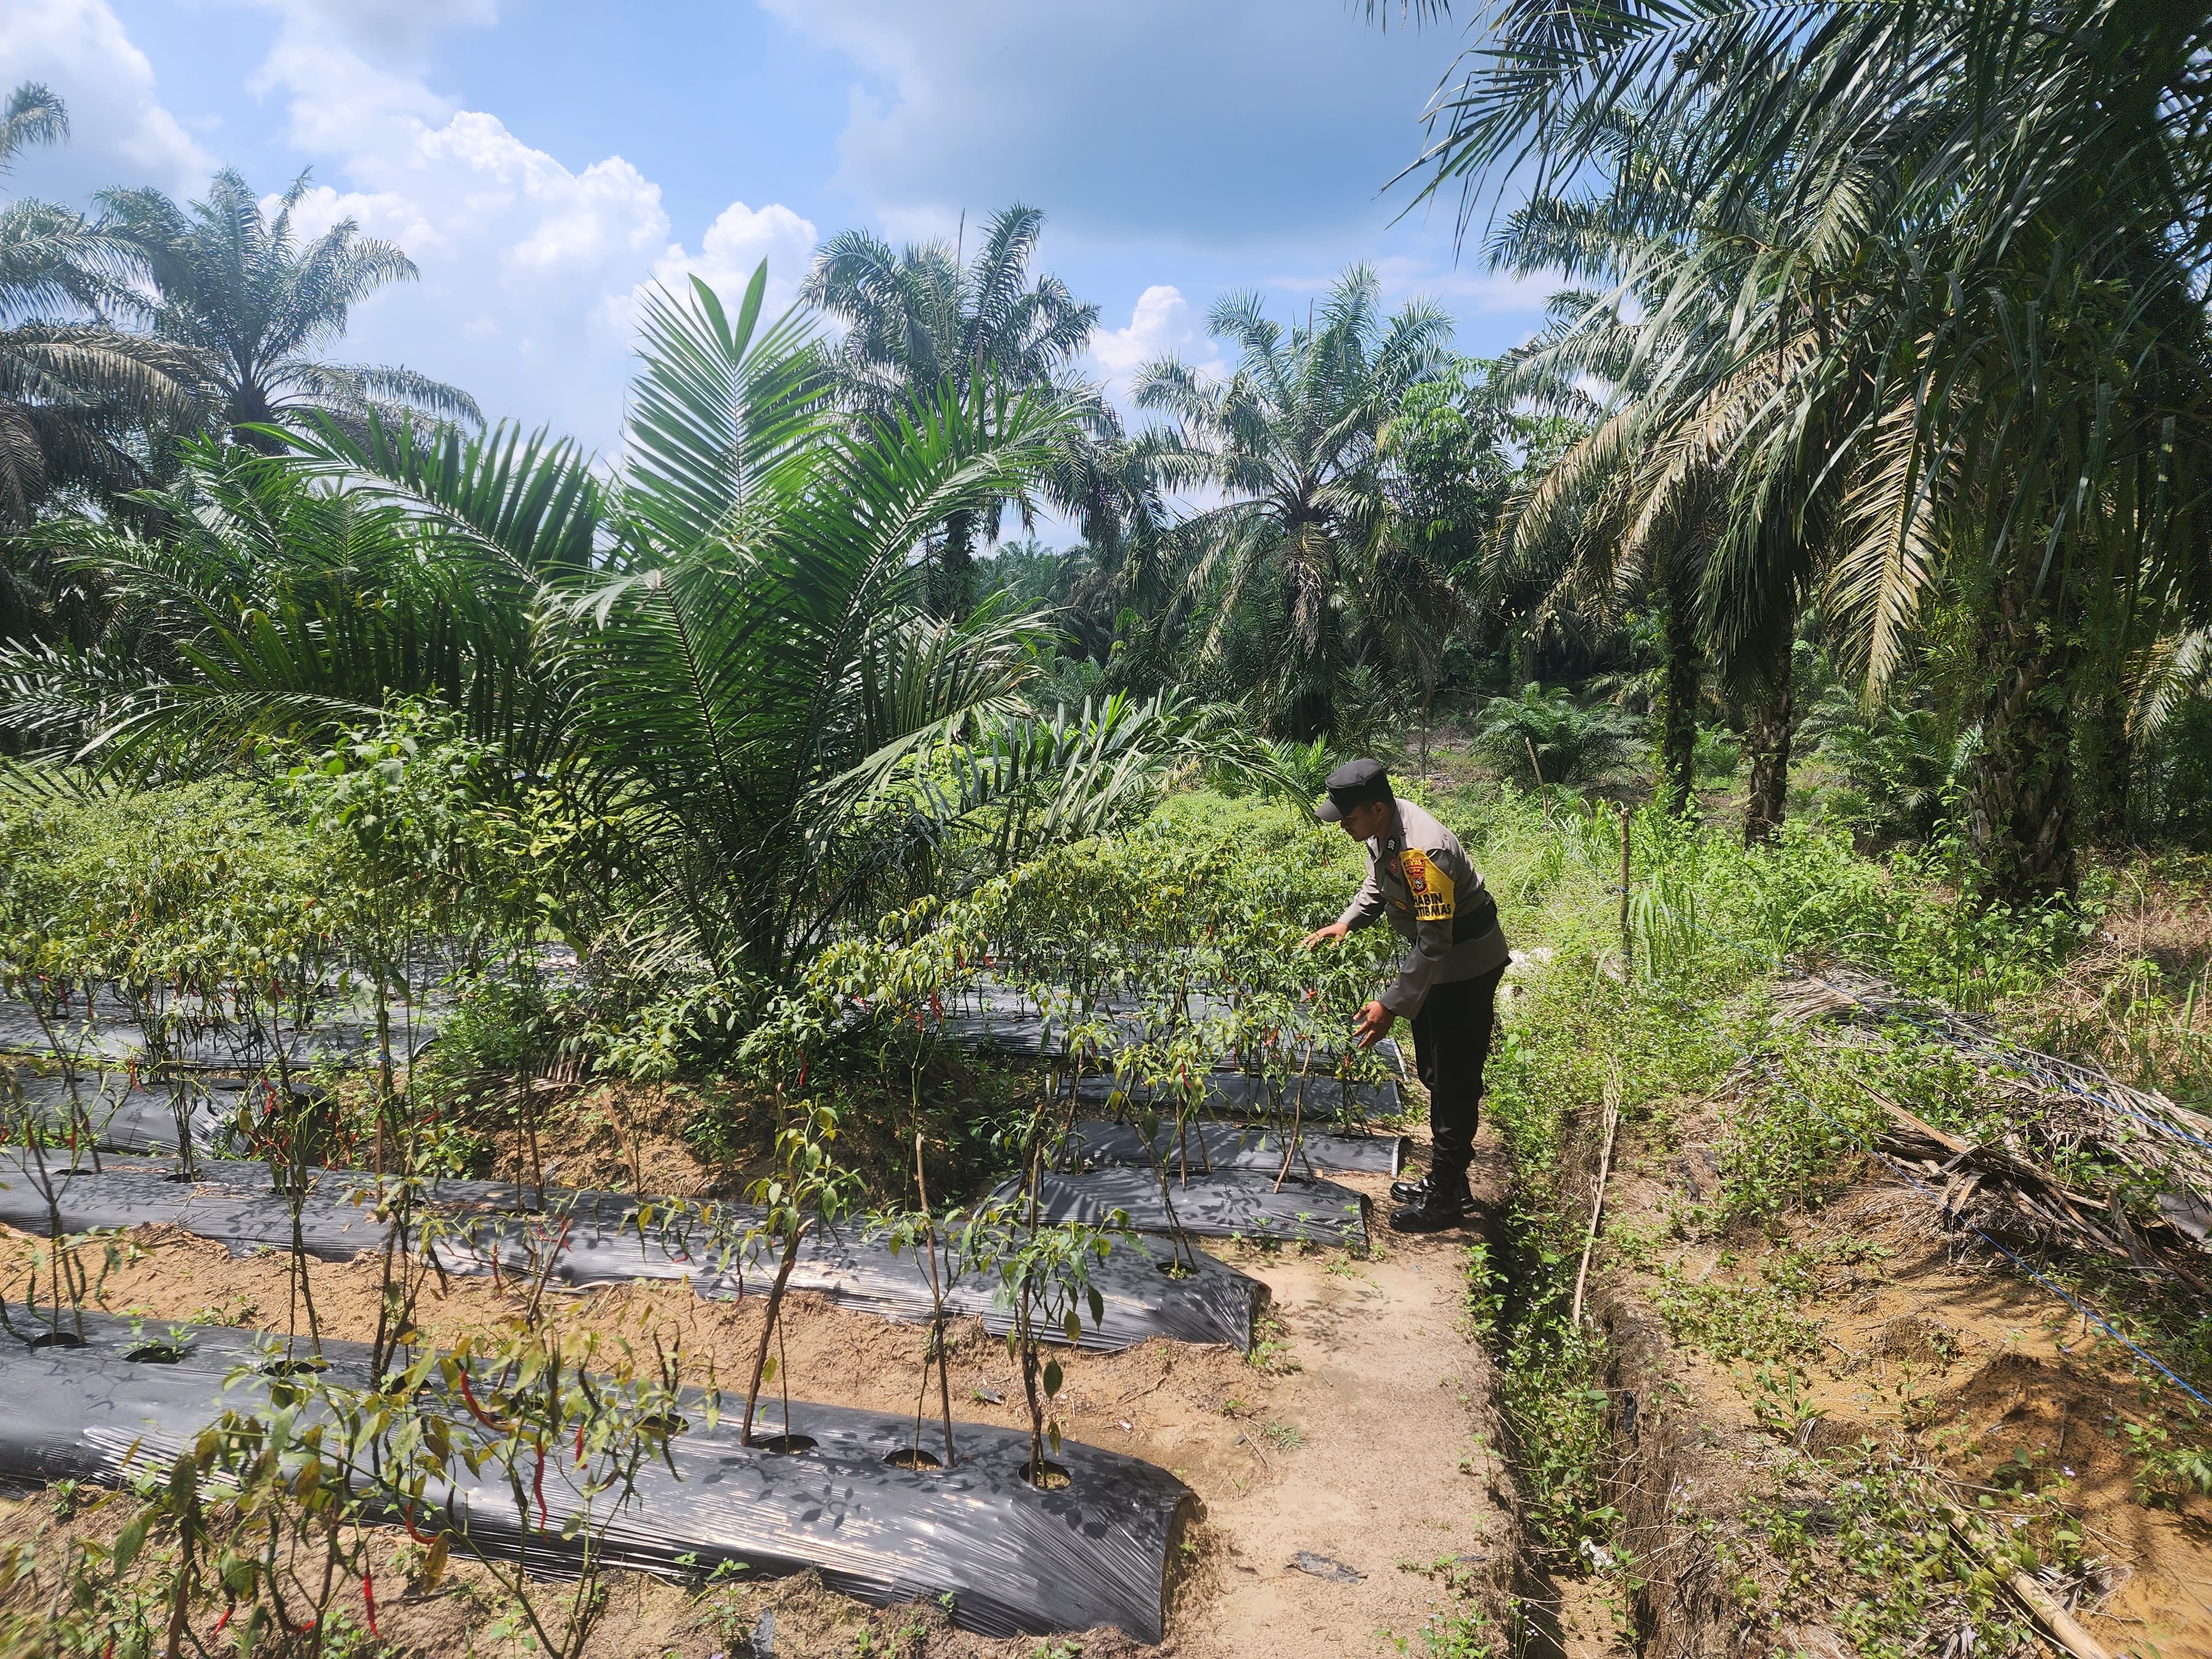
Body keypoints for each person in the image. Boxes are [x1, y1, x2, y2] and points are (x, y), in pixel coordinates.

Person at [1298, 758, 1509, 1233]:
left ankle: (1447, 1198)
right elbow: (1379, 882)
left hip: (1465, 966)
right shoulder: (1383, 828)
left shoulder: (1424, 851)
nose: (1344, 827)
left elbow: (1437, 941)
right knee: (1436, 1070)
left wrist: (1390, 1004)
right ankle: (1448, 1179)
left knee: (1454, 1079)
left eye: (1348, 818)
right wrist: (1347, 921)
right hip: (1437, 965)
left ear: (1376, 808)